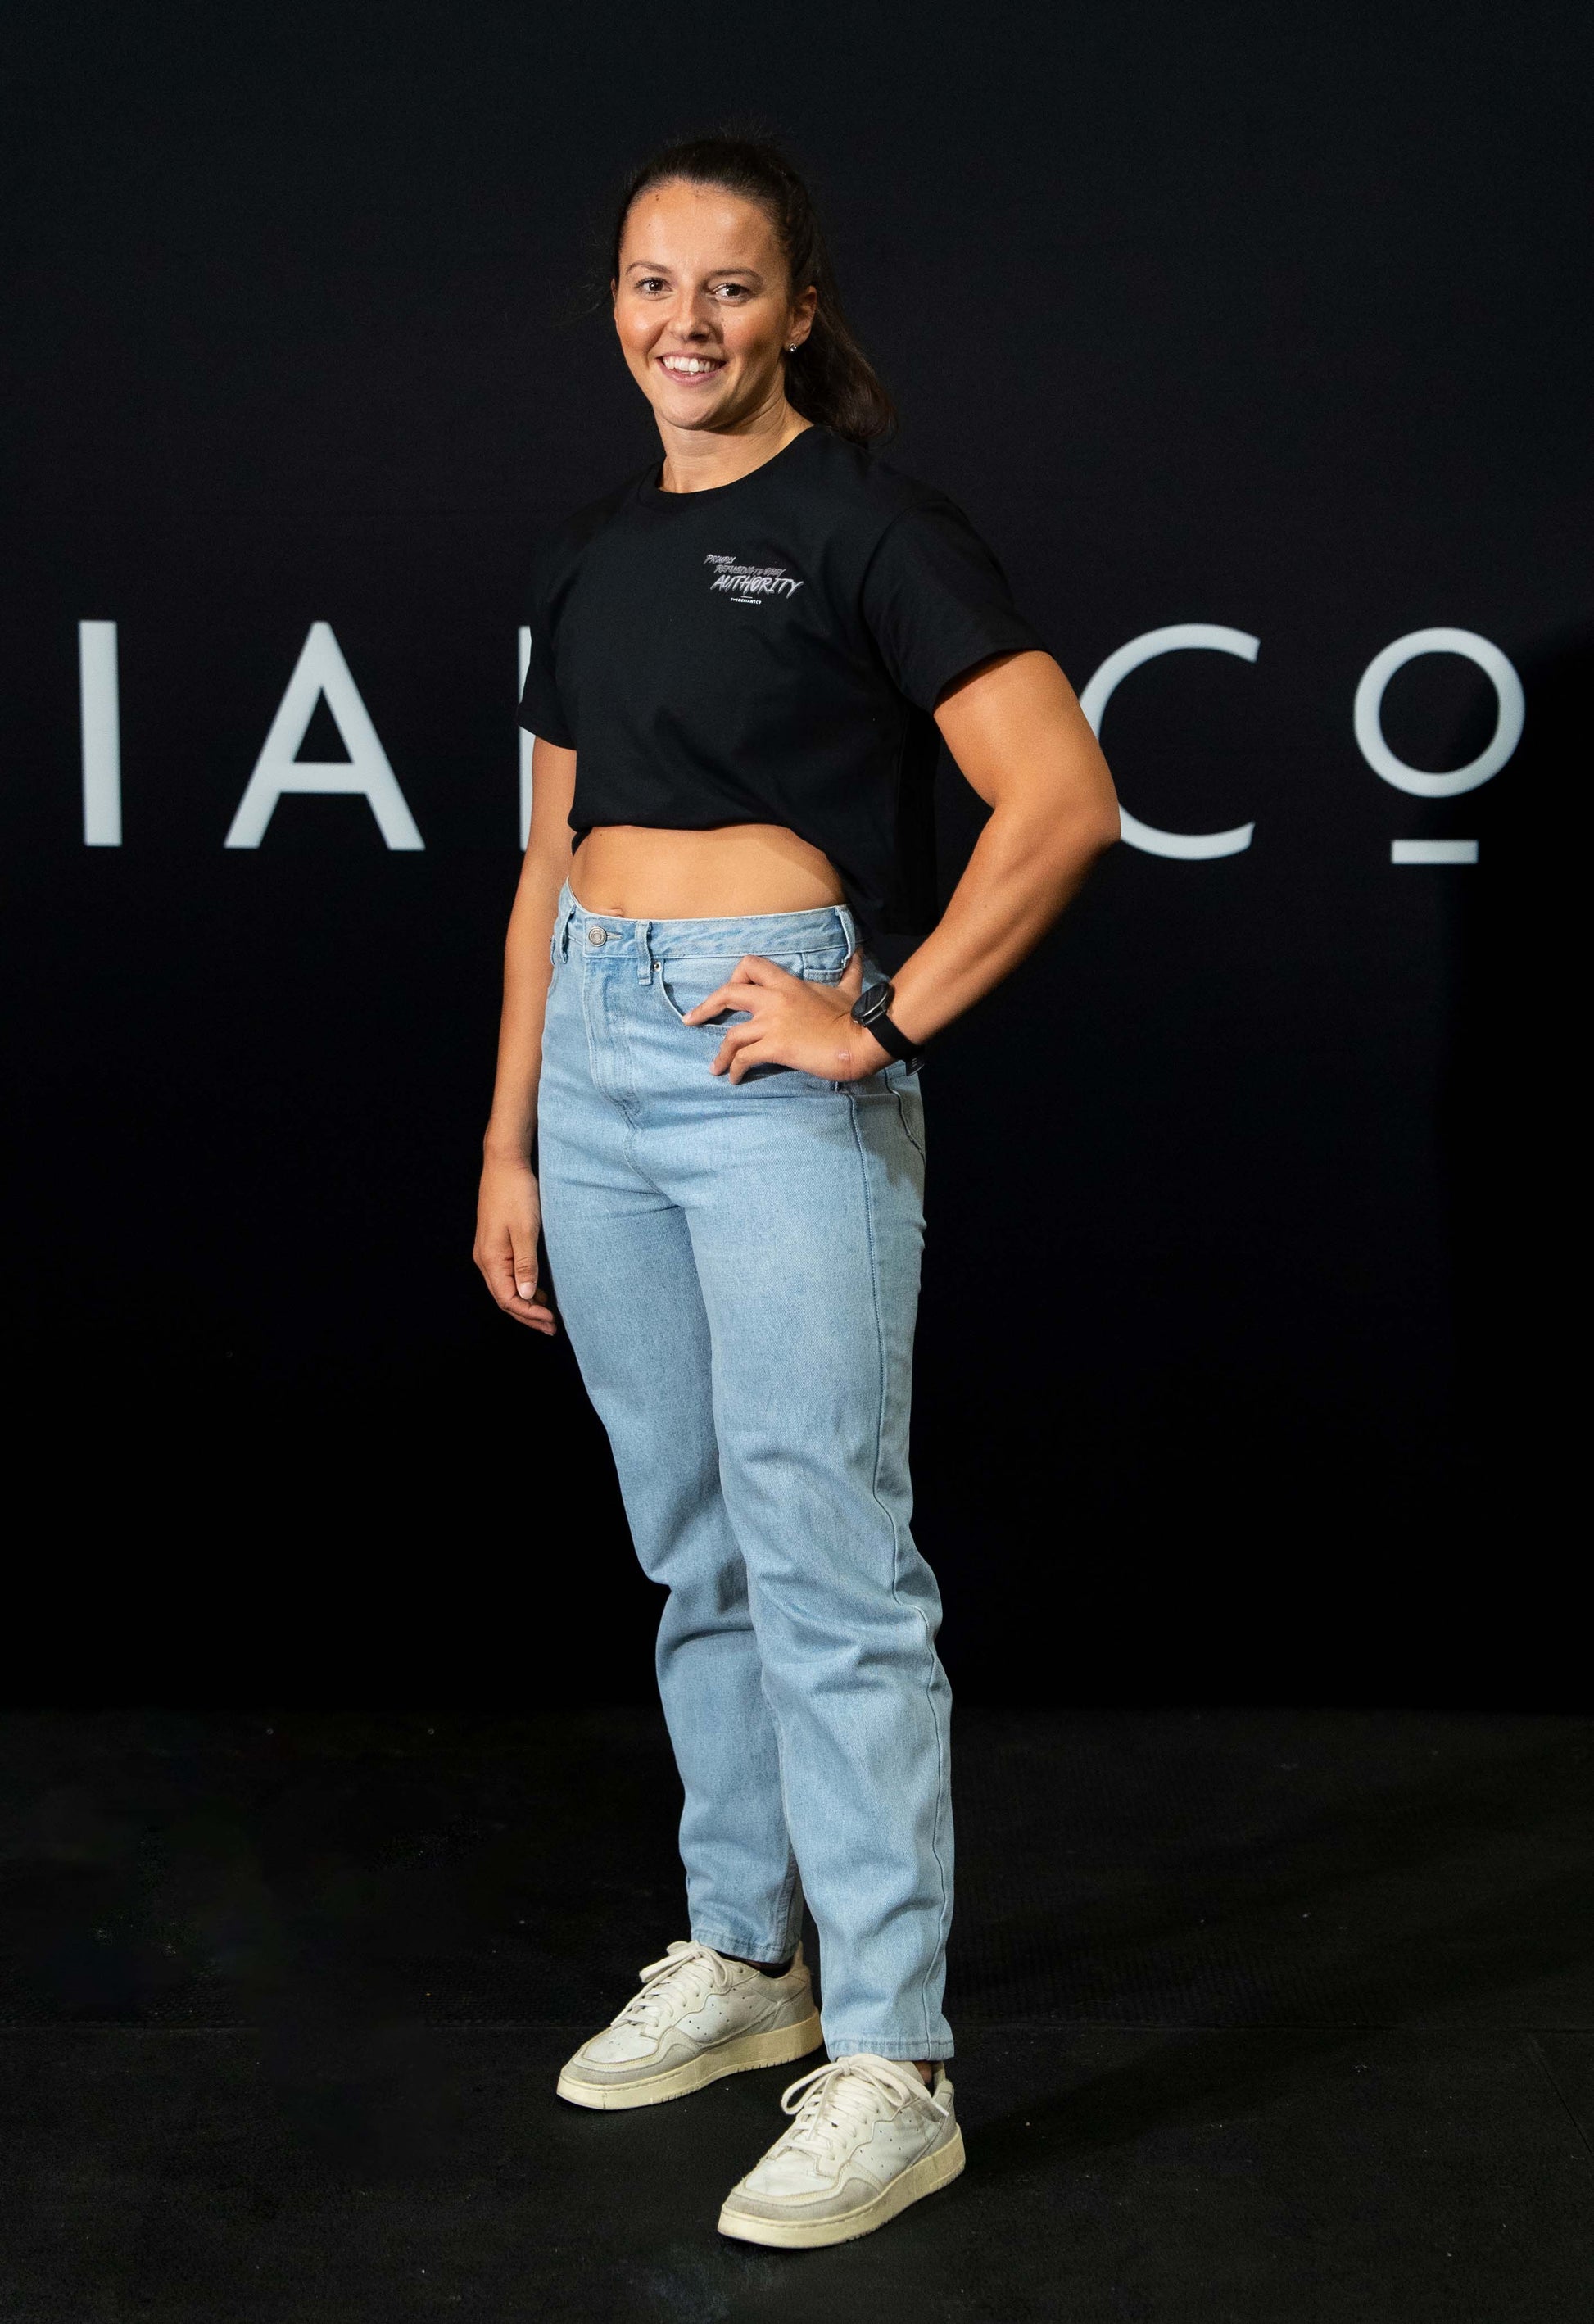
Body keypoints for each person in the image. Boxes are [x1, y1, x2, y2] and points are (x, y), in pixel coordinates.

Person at [474, 133, 1119, 2249]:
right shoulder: (586, 554)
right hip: (598, 1056)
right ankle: (751, 1961)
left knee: (828, 1560)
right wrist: (509, 1136)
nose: (687, 321)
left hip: (766, 1065)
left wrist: (886, 1017)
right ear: (614, 305)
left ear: (796, 311)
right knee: (697, 1548)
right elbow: (545, 864)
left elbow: (1061, 795)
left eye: (729, 286)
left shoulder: (865, 526)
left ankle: (897, 2065)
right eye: (652, 283)